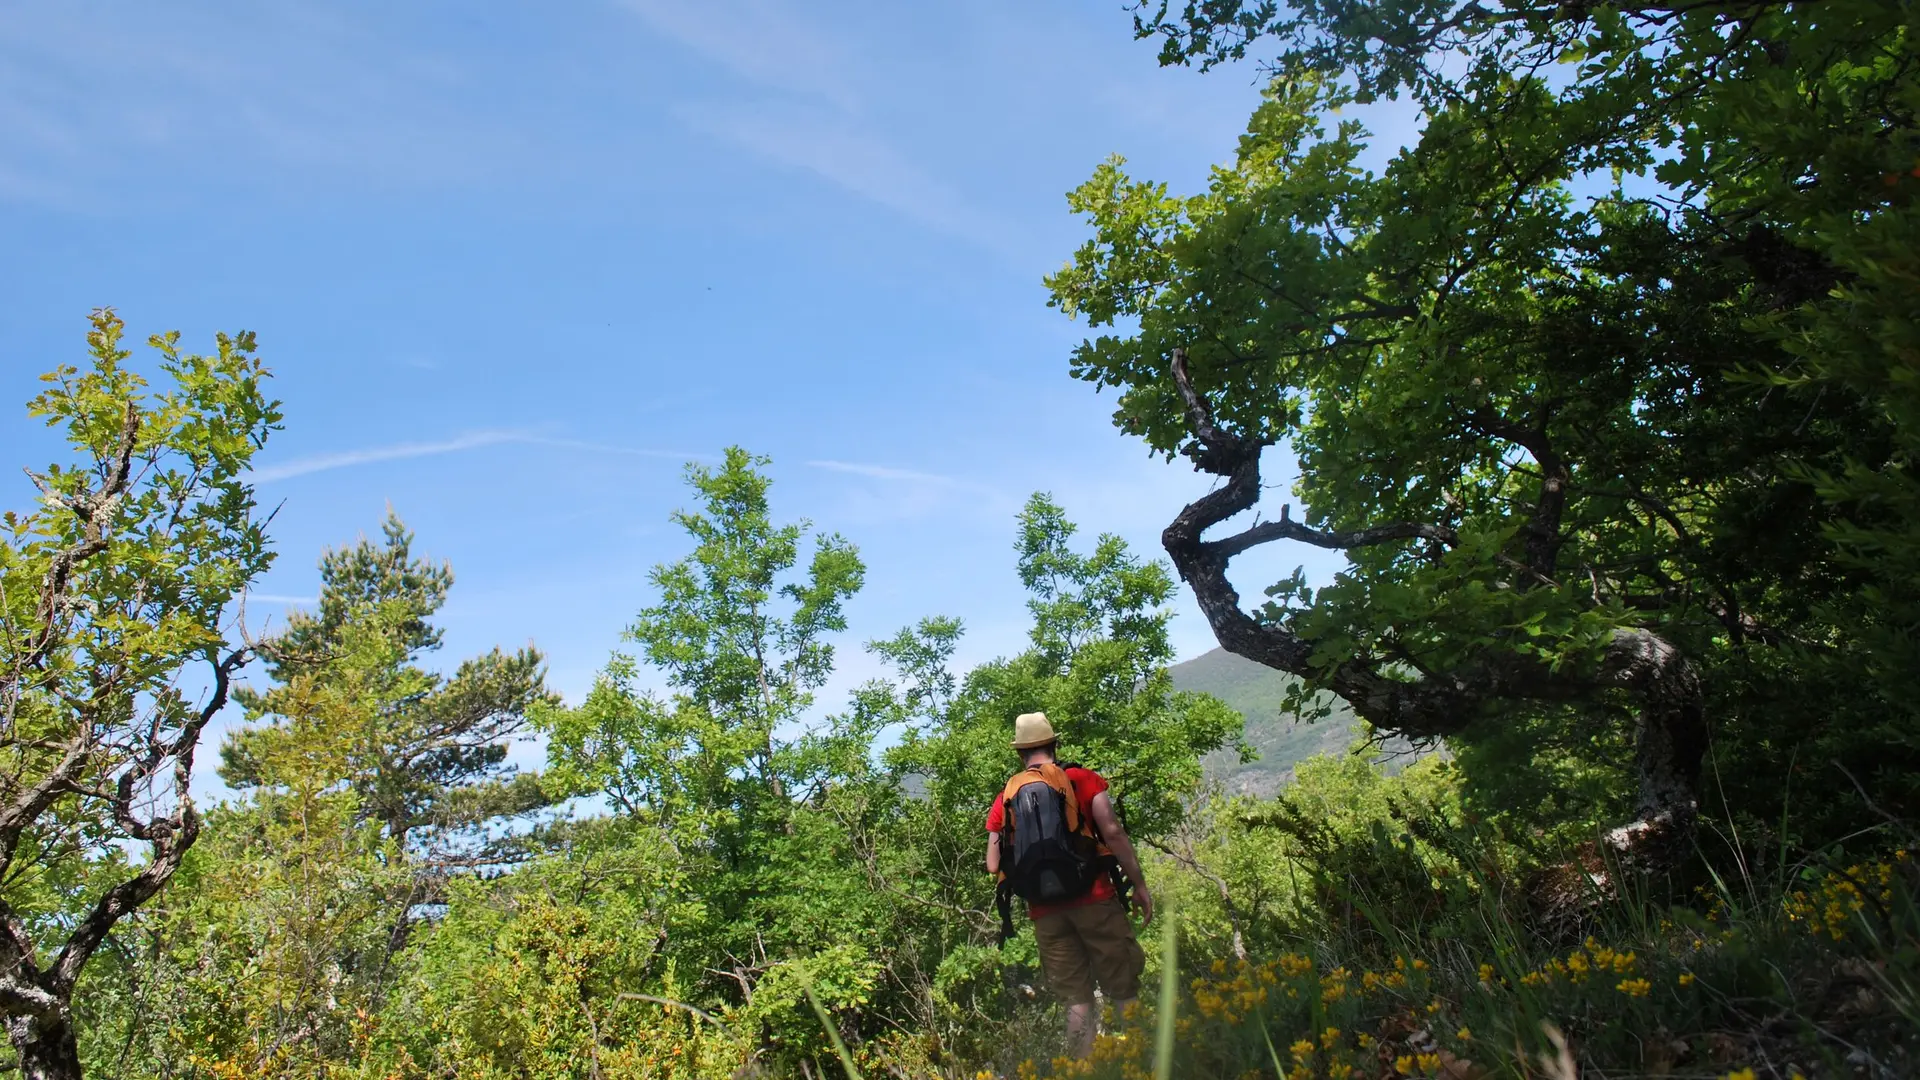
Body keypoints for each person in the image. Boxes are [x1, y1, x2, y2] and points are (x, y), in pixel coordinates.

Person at [985, 711, 1154, 1059]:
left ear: (1020, 753)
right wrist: (1139, 885)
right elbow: (1113, 833)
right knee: (1122, 990)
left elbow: (992, 865)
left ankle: (1084, 1071)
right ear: (1054, 743)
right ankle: (1144, 1067)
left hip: (1046, 914)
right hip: (1094, 900)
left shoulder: (1008, 794)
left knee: (1076, 1002)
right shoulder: (1081, 779)